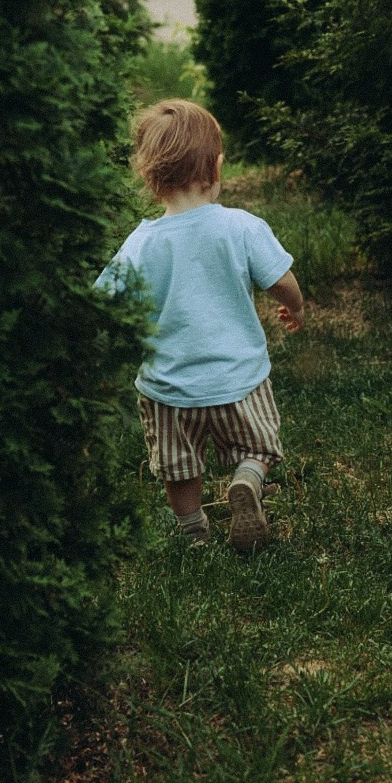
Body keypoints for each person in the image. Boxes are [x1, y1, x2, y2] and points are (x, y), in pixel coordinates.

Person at [94, 98, 304, 552]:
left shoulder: (141, 242)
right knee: (259, 447)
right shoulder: (241, 226)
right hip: (239, 380)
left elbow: (102, 301)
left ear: (151, 179)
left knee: (179, 466)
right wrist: (297, 307)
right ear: (218, 166)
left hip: (168, 387)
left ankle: (193, 531)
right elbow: (282, 281)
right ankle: (247, 480)